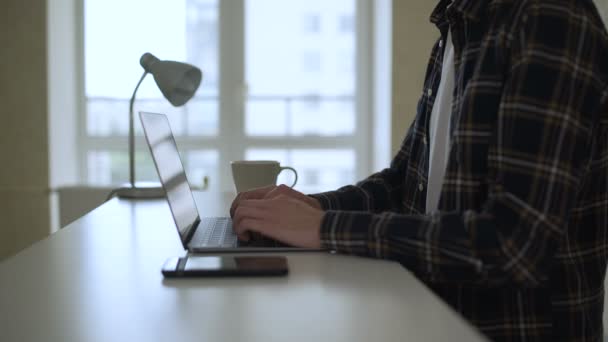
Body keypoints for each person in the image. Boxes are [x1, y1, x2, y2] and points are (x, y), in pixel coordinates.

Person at [230, 0, 608, 340]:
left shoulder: (550, 19)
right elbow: (404, 184)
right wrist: (308, 209)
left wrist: (324, 228)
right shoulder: (457, 25)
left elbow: (513, 244)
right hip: (437, 321)